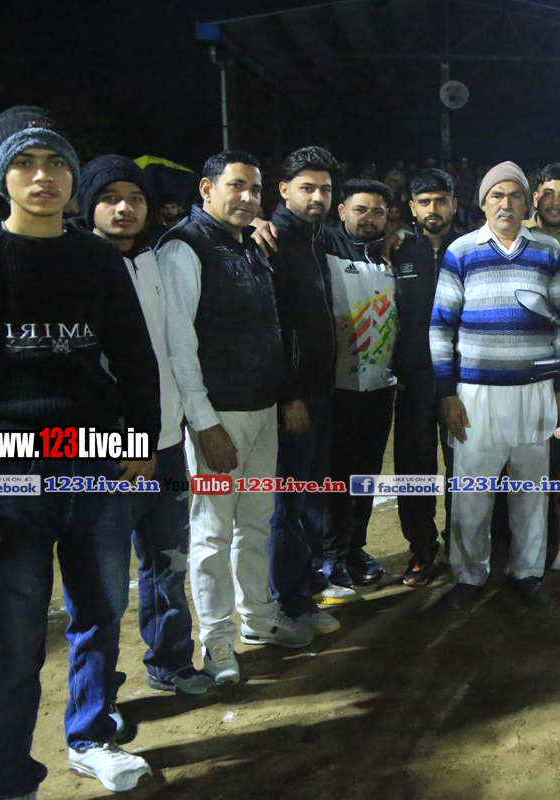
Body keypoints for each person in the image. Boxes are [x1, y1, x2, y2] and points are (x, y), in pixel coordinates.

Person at [0, 106, 158, 797]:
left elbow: (135, 357)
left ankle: (91, 737)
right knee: (13, 639)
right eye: (25, 164)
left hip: (98, 458)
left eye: (57, 163)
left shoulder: (97, 258)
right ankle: (11, 780)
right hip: (8, 462)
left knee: (100, 611)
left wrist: (140, 440)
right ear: (0, 177)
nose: (44, 176)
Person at [158, 149, 313, 686]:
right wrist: (204, 424)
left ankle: (259, 618)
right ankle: (217, 640)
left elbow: (271, 329)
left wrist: (285, 395)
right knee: (211, 533)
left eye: (255, 189)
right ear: (207, 189)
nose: (248, 197)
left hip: (262, 411)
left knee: (255, 522)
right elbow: (179, 346)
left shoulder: (249, 245)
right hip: (219, 417)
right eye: (237, 186)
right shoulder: (183, 248)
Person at [78, 156, 218, 705]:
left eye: (134, 198)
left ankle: (170, 662)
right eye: (110, 198)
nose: (124, 208)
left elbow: (175, 348)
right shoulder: (73, 268)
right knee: (102, 585)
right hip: (104, 451)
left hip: (167, 442)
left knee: (168, 564)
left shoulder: (158, 262)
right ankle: (98, 701)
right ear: (88, 205)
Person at [430, 161, 560, 611]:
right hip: (476, 394)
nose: (506, 203)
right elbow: (440, 327)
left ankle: (526, 572)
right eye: (497, 195)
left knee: (531, 492)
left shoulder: (549, 250)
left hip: (535, 390)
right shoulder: (461, 251)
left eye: (515, 195)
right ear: (483, 203)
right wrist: (446, 392)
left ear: (528, 203)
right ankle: (469, 574)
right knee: (472, 494)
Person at [264, 147, 353, 624]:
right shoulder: (271, 240)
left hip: (322, 391)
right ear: (283, 190)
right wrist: (289, 394)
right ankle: (289, 601)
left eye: (325, 189)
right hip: (294, 397)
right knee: (289, 502)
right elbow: (272, 328)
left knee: (312, 494)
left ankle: (310, 581)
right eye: (307, 188)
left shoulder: (320, 239)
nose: (318, 197)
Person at [320, 178, 399, 592]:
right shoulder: (324, 245)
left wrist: (402, 236)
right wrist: (260, 223)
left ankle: (354, 548)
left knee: (366, 473)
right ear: (342, 211)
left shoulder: (393, 254)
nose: (369, 218)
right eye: (361, 209)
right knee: (335, 475)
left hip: (380, 386)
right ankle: (330, 555)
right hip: (336, 387)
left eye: (378, 211)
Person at [389, 168, 461, 586]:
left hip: (462, 381)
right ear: (412, 208)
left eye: (441, 200)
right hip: (412, 378)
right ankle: (421, 546)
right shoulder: (397, 250)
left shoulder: (471, 246)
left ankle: (461, 542)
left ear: (453, 204)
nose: (434, 209)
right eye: (425, 201)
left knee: (462, 465)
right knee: (414, 467)